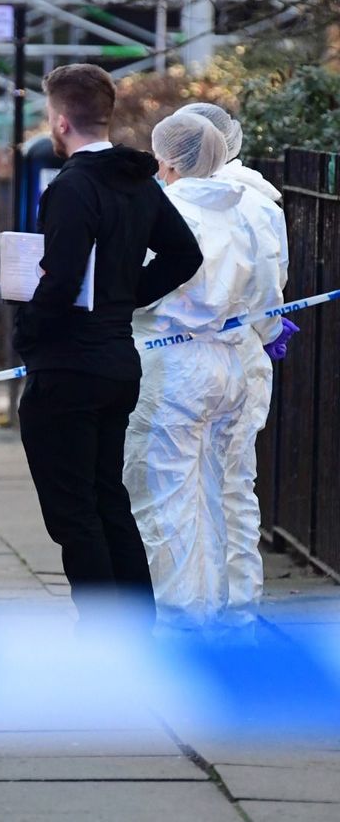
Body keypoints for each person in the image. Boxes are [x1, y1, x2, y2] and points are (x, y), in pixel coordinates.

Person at [12, 64, 203, 629]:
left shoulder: (71, 187)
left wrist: (28, 333)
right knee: (107, 499)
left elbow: (63, 276)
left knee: (73, 512)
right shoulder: (137, 181)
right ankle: (136, 624)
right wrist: (125, 300)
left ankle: (105, 635)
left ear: (61, 120)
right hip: (118, 361)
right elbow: (184, 255)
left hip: (68, 367)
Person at [124, 112, 286, 635]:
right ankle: (228, 612)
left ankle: (179, 620)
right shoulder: (241, 214)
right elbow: (265, 299)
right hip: (227, 361)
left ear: (166, 158)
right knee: (223, 492)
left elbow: (136, 290)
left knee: (166, 496)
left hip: (171, 363)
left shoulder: (161, 210)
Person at [178, 101, 293, 631]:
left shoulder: (188, 200)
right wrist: (267, 333)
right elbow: (271, 281)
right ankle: (239, 609)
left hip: (191, 353)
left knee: (189, 489)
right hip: (244, 351)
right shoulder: (260, 202)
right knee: (234, 484)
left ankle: (198, 605)